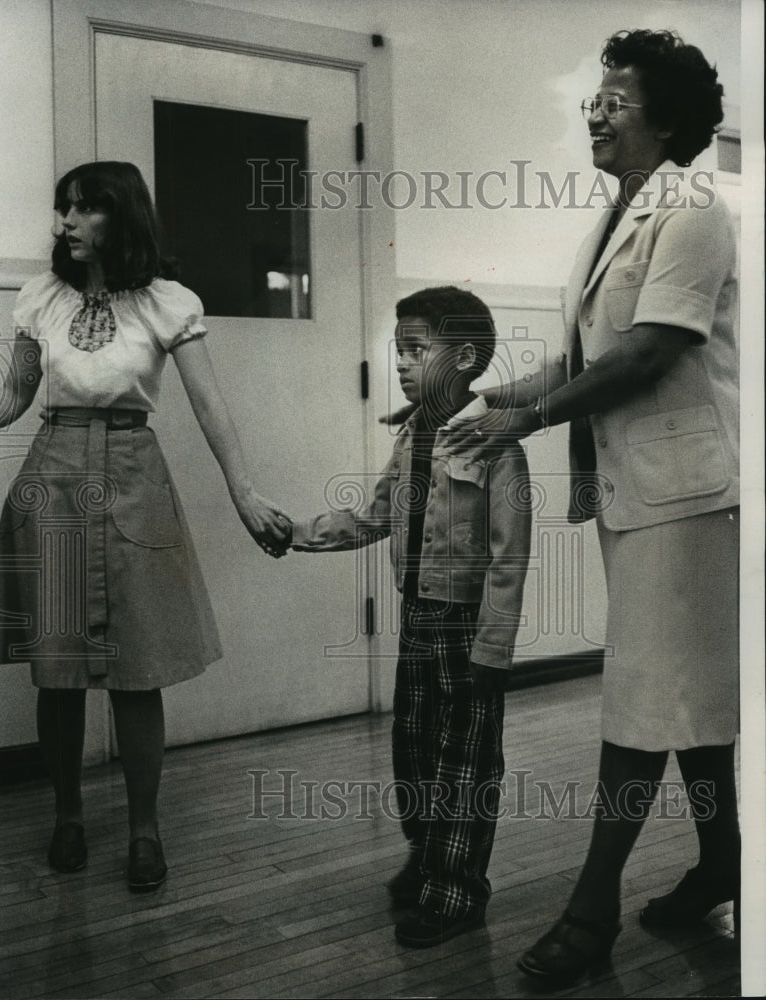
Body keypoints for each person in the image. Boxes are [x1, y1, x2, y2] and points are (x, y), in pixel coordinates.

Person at [442, 29, 738, 987]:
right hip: (642, 493)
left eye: (615, 97)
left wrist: (523, 422)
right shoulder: (617, 215)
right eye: (593, 97)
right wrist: (498, 396)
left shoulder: (691, 206)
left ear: (665, 113)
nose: (594, 111)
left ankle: (591, 911)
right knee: (685, 697)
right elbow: (584, 356)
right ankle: (724, 865)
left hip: (687, 499)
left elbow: (649, 352)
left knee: (642, 702)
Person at [0, 161, 289, 892]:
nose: (65, 223)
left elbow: (211, 407)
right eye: (62, 208)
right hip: (51, 474)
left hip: (133, 478)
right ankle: (67, 816)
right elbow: (16, 397)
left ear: (122, 217)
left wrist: (243, 493)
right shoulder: (38, 297)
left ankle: (144, 829)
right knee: (55, 674)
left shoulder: (166, 302)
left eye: (85, 209)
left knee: (136, 671)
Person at [291, 286, 531, 947]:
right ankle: (426, 858)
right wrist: (299, 533)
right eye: (396, 350)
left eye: (414, 350)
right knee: (416, 752)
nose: (399, 363)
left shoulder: (498, 447)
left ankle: (456, 892)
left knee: (465, 762)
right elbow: (372, 514)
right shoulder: (409, 437)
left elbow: (510, 560)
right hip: (417, 619)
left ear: (463, 358)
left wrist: (494, 649)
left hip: (469, 628)